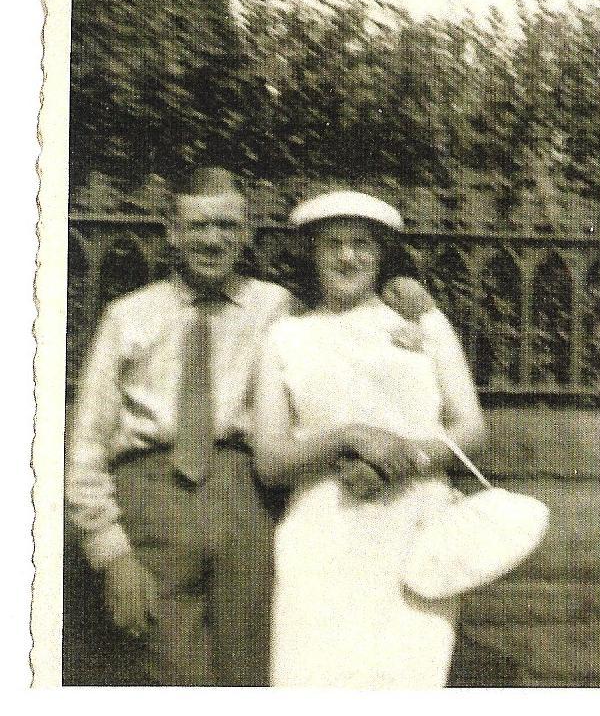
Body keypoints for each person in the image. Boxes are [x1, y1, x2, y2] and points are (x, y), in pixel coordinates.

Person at [67, 168, 433, 686]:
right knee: (169, 669)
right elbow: (85, 446)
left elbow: (343, 340)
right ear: (172, 233)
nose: (212, 240)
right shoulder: (128, 317)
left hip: (247, 500)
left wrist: (405, 295)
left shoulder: (278, 307)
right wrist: (110, 553)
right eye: (198, 227)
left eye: (226, 226)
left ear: (246, 235)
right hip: (151, 498)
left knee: (253, 669)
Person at [252, 190, 487, 688]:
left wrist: (406, 459)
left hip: (413, 532)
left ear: (381, 253)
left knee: (405, 681)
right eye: (332, 244)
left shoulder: (422, 323)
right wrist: (345, 438)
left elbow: (472, 429)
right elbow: (270, 461)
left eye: (362, 243)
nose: (347, 257)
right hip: (323, 534)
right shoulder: (286, 337)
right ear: (312, 253)